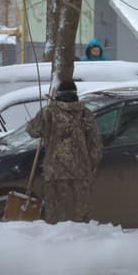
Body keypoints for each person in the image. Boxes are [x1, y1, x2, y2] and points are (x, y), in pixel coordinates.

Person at [27, 80, 103, 222]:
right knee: (81, 214)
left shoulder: (48, 113)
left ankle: (58, 242)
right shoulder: (85, 113)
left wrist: (32, 122)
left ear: (58, 95)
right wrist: (91, 166)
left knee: (55, 215)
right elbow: (95, 145)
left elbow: (33, 131)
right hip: (81, 172)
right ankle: (82, 241)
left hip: (55, 173)